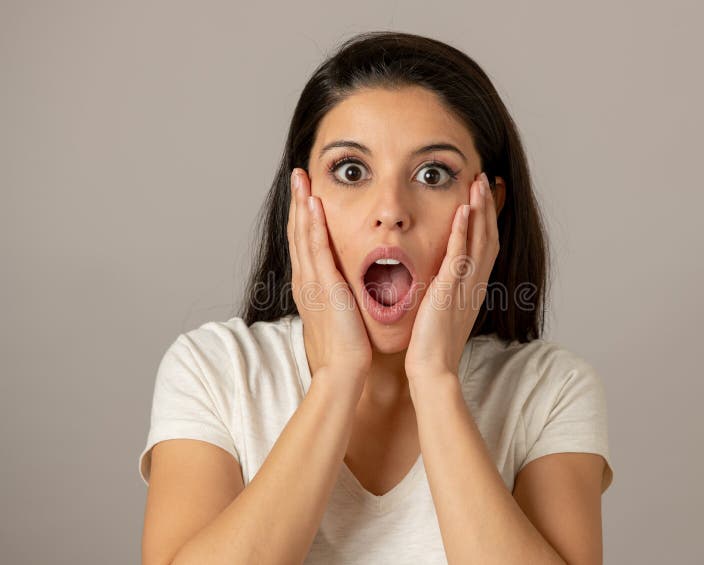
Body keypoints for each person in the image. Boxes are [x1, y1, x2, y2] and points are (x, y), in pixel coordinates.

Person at [138, 31, 614, 565]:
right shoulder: (213, 372)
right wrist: (338, 376)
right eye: (351, 170)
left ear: (488, 204)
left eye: (433, 174)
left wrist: (435, 380)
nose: (390, 209)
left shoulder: (549, 391)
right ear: (301, 196)